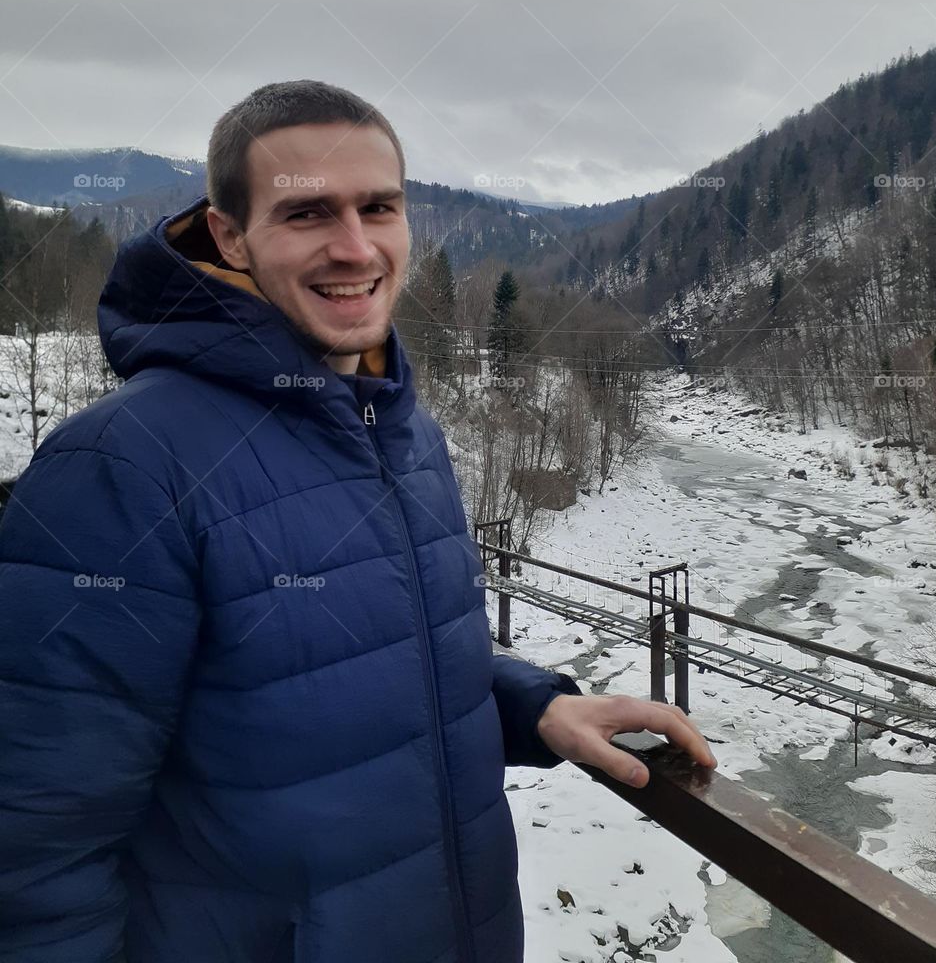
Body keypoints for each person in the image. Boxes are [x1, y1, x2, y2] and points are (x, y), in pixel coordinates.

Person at [0, 80, 716, 962]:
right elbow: (34, 847)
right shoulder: (121, 466)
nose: (354, 246)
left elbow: (356, 666)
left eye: (379, 207)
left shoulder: (403, 432)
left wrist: (533, 710)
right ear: (228, 235)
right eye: (307, 214)